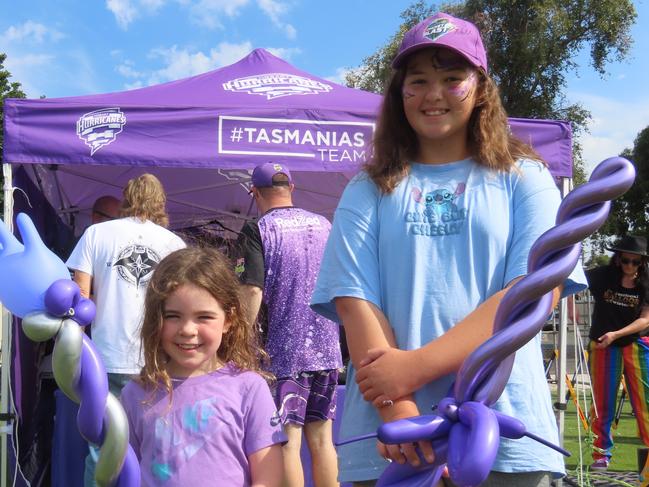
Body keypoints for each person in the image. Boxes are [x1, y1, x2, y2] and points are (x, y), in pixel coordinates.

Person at [311, 12, 586, 487]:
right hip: (391, 441)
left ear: (480, 87)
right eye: (417, 81)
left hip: (504, 435)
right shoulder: (367, 188)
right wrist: (399, 408)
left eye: (451, 78)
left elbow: (535, 292)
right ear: (400, 94)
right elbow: (354, 298)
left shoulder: (527, 177)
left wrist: (414, 368)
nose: (433, 95)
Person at [120, 247, 286, 486]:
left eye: (204, 317)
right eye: (173, 316)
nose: (187, 330)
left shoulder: (249, 388)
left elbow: (269, 477)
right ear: (156, 319)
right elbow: (126, 474)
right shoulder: (135, 394)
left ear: (228, 320)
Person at [65, 173, 186, 486]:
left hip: (104, 356)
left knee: (101, 445)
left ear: (126, 198)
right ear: (160, 201)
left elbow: (79, 299)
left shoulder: (96, 233)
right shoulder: (173, 244)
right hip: (156, 359)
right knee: (155, 442)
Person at [236, 162, 342, 487]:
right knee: (323, 441)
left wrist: (239, 337)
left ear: (254, 193)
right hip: (328, 350)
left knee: (288, 443)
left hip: (284, 354)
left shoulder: (257, 229)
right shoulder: (325, 224)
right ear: (292, 188)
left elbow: (251, 289)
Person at [585, 235, 649, 474]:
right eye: (626, 261)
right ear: (617, 260)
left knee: (646, 400)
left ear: (642, 262)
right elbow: (568, 279)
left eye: (636, 262)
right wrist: (571, 312)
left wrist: (618, 333)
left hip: (636, 344)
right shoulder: (601, 276)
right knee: (603, 403)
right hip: (603, 346)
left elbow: (645, 319)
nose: (630, 266)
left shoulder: (647, 281)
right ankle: (601, 454)